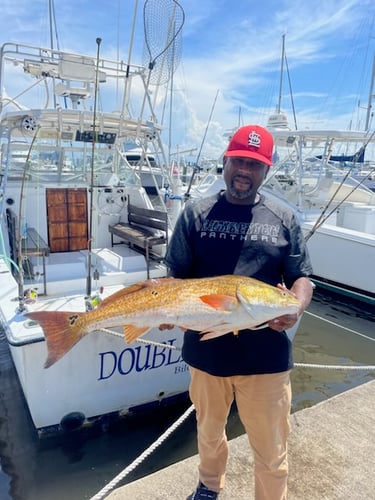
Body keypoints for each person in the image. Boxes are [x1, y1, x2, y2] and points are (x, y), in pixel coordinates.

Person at [163, 124, 313, 500]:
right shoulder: (194, 214)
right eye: (240, 161)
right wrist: (164, 308)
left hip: (266, 359)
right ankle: (209, 486)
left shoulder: (284, 218)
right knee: (209, 432)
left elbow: (303, 278)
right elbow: (175, 276)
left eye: (255, 164)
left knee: (271, 448)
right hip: (205, 352)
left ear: (266, 171)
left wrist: (295, 307)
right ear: (225, 161)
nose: (245, 170)